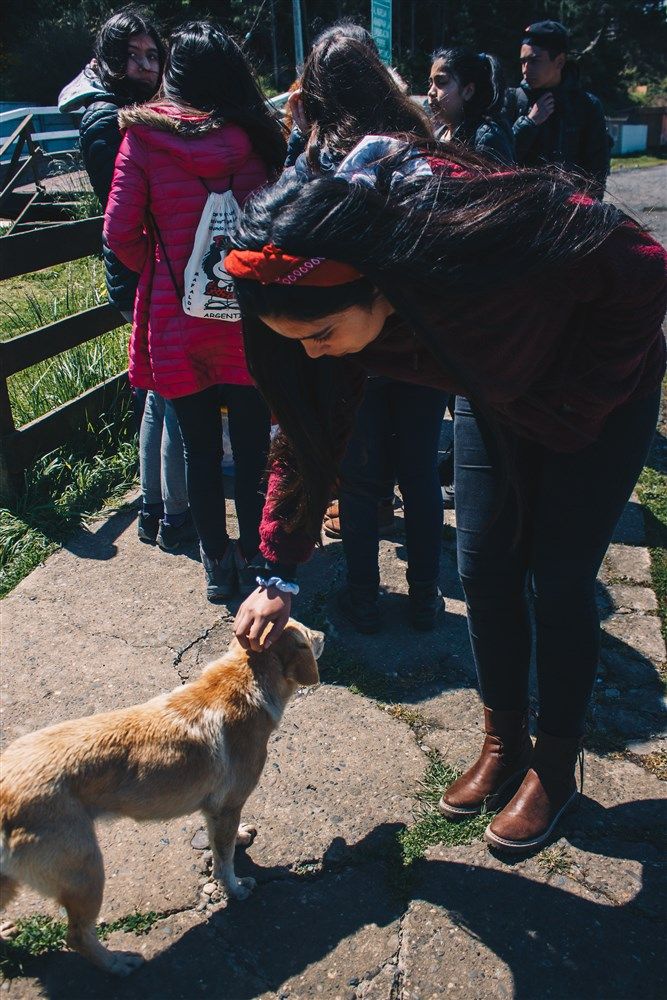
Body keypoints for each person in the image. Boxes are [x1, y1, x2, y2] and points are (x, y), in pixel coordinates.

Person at [226, 145, 666, 853]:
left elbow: (644, 267)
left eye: (321, 335)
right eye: (295, 341)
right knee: (484, 568)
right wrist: (277, 574)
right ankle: (504, 743)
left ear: (376, 282)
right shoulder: (318, 318)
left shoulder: (479, 236)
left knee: (558, 582)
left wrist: (582, 400)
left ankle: (554, 765)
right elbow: (304, 439)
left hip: (594, 406)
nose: (312, 352)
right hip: (492, 399)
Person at [105, 21, 286, 600]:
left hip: (177, 319)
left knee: (198, 450)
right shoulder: (260, 138)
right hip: (247, 319)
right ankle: (256, 558)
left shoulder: (143, 139)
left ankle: (215, 566)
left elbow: (118, 232)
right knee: (254, 450)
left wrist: (164, 268)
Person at [284, 28, 447, 632]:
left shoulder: (315, 159)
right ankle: (425, 595)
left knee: (356, 479)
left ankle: (363, 598)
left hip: (346, 345)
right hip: (420, 342)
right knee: (420, 474)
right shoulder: (417, 145)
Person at [59, 8, 192, 550]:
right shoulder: (105, 121)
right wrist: (152, 272)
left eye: (152, 54)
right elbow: (123, 219)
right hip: (141, 274)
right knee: (168, 391)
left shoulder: (130, 112)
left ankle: (154, 508)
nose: (145, 64)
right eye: (132, 55)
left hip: (149, 271)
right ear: (110, 60)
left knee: (157, 391)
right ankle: (167, 511)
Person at [509, 20, 611, 196]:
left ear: (559, 62)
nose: (526, 69)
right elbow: (500, 159)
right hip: (521, 205)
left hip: (570, 207)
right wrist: (529, 124)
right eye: (523, 62)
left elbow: (597, 169)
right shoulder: (512, 100)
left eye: (534, 61)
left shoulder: (586, 106)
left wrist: (588, 208)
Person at [427, 46, 515, 164]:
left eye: (441, 82)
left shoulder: (487, 138)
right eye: (430, 83)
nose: (431, 92)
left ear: (468, 91)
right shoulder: (438, 135)